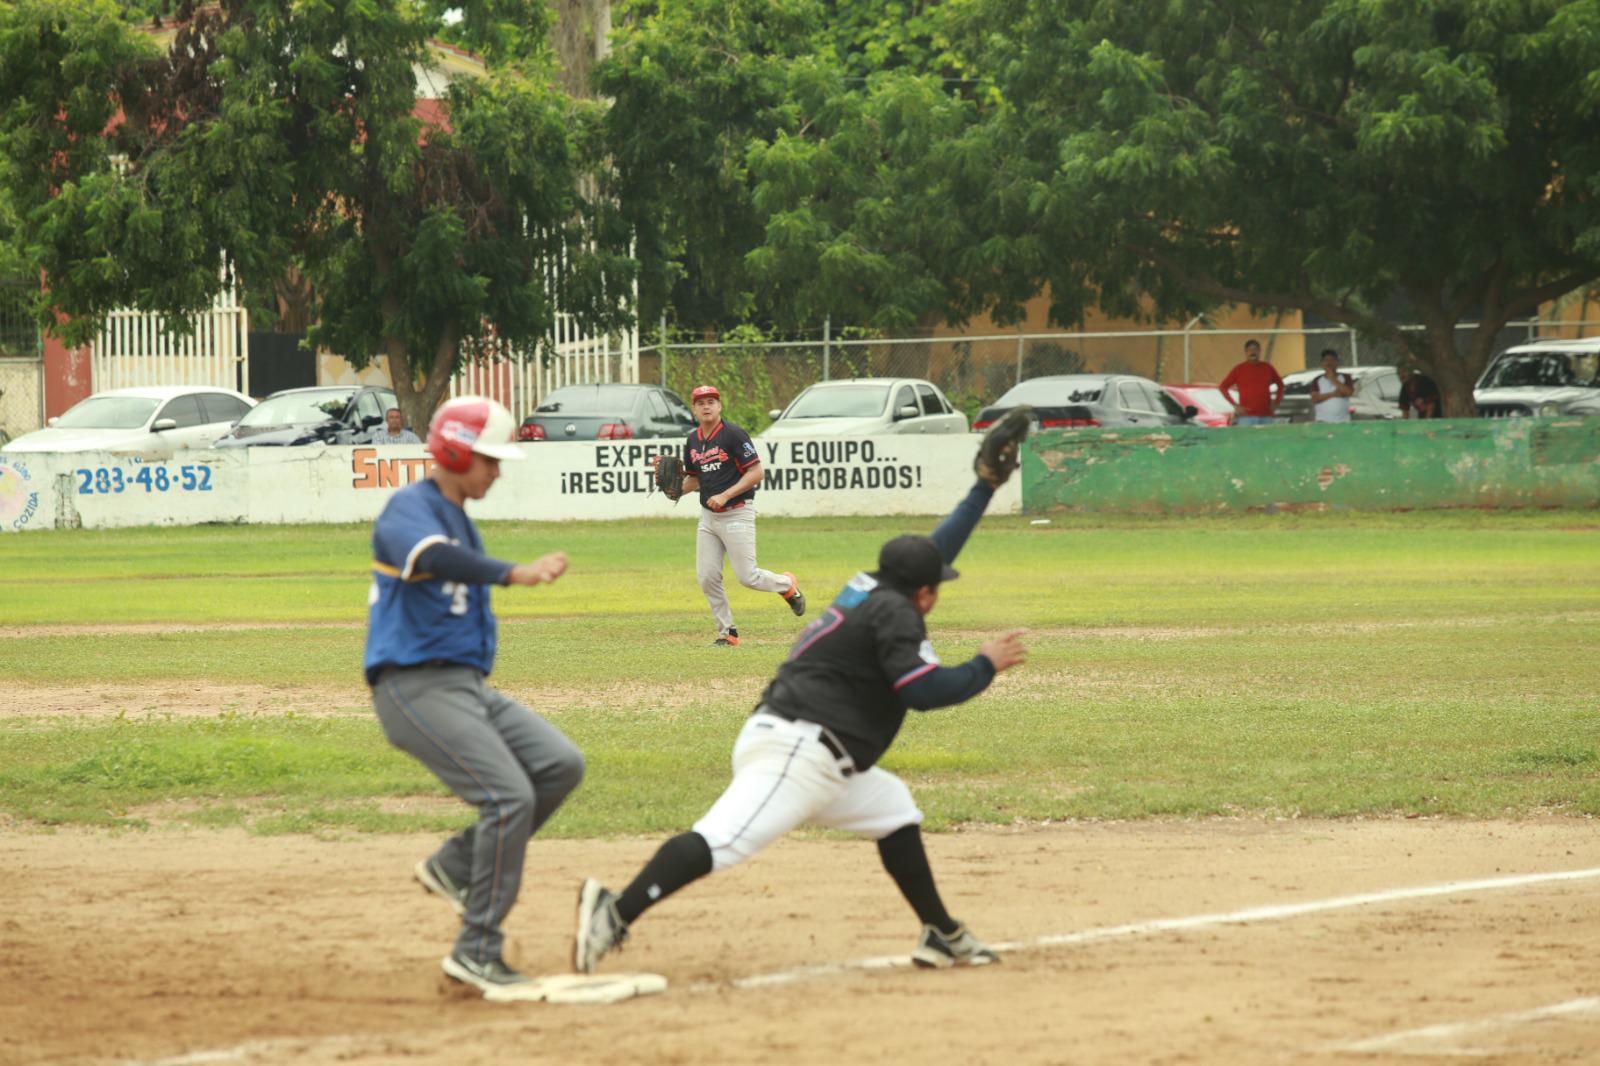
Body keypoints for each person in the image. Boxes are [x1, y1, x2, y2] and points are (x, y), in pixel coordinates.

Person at [571, 422, 1032, 976]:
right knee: (719, 842)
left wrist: (982, 488)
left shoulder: (869, 587)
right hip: (798, 751)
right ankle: (612, 915)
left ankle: (942, 933)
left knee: (894, 812)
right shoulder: (898, 614)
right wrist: (985, 664)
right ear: (926, 593)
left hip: (811, 747)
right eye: (938, 584)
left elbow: (934, 550)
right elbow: (925, 691)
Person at [365, 395, 584, 995]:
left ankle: (456, 865)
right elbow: (427, 557)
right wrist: (512, 572)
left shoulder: (462, 517)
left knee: (559, 765)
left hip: (462, 686)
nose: (496, 470)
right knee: (509, 797)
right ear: (456, 451)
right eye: (488, 458)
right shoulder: (410, 508)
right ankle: (476, 952)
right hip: (412, 685)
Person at [681, 383, 805, 645]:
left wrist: (726, 495)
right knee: (707, 577)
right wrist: (673, 489)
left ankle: (786, 585)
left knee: (748, 577)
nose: (706, 406)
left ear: (720, 406)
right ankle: (728, 633)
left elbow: (756, 473)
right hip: (708, 518)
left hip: (737, 513)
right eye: (701, 402)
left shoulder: (734, 435)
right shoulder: (692, 441)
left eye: (711, 401)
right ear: (694, 408)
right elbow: (695, 480)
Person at [1219, 338, 1286, 426]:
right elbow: (1223, 387)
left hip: (1266, 416)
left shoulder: (1267, 368)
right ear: (1245, 352)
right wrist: (1235, 405)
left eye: (1255, 349)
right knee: (1246, 439)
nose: (1252, 352)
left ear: (1259, 351)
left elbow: (1280, 385)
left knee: (1267, 440)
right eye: (1249, 350)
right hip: (1246, 417)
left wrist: (1277, 402)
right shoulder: (1239, 369)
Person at [1309, 349, 1355, 423]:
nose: (1329, 362)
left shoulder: (1346, 377)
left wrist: (1332, 378)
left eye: (1332, 360)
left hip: (1343, 421)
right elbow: (1315, 399)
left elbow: (1348, 392)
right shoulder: (1317, 380)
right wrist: (1333, 394)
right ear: (1322, 364)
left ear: (1337, 362)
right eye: (1326, 360)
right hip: (1322, 421)